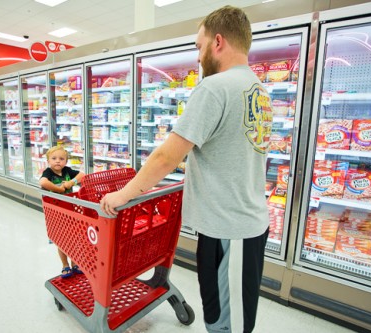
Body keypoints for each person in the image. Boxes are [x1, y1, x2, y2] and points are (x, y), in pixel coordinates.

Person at [100, 6, 272, 333]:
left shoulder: (216, 87)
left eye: (198, 46)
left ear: (217, 42)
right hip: (244, 223)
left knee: (227, 325)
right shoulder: (259, 90)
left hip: (229, 229)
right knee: (231, 314)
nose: (197, 56)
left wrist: (123, 195)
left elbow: (167, 157)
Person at [39, 146, 85, 278]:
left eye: (61, 158)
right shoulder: (48, 172)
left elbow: (82, 175)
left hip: (70, 211)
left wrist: (71, 182)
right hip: (56, 213)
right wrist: (59, 190)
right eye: (54, 158)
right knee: (62, 241)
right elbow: (42, 182)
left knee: (74, 239)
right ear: (48, 161)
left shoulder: (67, 171)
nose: (58, 161)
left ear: (66, 161)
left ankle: (75, 263)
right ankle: (65, 265)